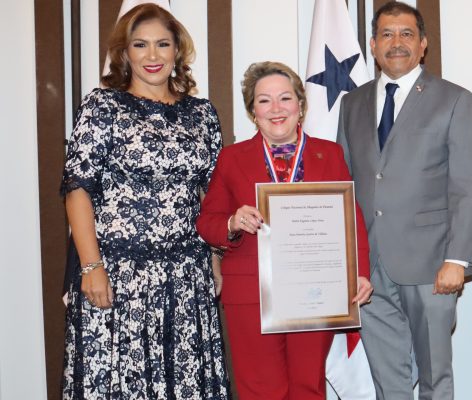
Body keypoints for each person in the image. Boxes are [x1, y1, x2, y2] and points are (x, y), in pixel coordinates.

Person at [60, 4, 229, 398]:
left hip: (186, 277)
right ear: (125, 52)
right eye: (140, 45)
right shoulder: (102, 107)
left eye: (162, 44)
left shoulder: (202, 114)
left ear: (177, 51)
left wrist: (215, 257)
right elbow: (77, 189)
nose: (152, 55)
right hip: (118, 275)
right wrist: (91, 266)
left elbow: (214, 194)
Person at [196, 61, 373, 399]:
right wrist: (233, 222)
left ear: (300, 105)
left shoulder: (329, 153)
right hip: (251, 293)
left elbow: (351, 217)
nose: (276, 108)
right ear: (253, 111)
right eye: (264, 100)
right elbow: (207, 221)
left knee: (308, 387)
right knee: (261, 389)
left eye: (285, 98)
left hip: (314, 290)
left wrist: (359, 273)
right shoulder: (232, 158)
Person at [335, 3, 472, 399]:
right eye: (386, 34)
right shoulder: (352, 103)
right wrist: (346, 260)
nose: (396, 42)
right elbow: (345, 184)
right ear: (372, 44)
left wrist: (458, 260)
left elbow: (468, 184)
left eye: (406, 34)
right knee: (389, 382)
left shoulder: (454, 99)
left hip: (432, 264)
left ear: (423, 44)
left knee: (435, 377)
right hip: (369, 269)